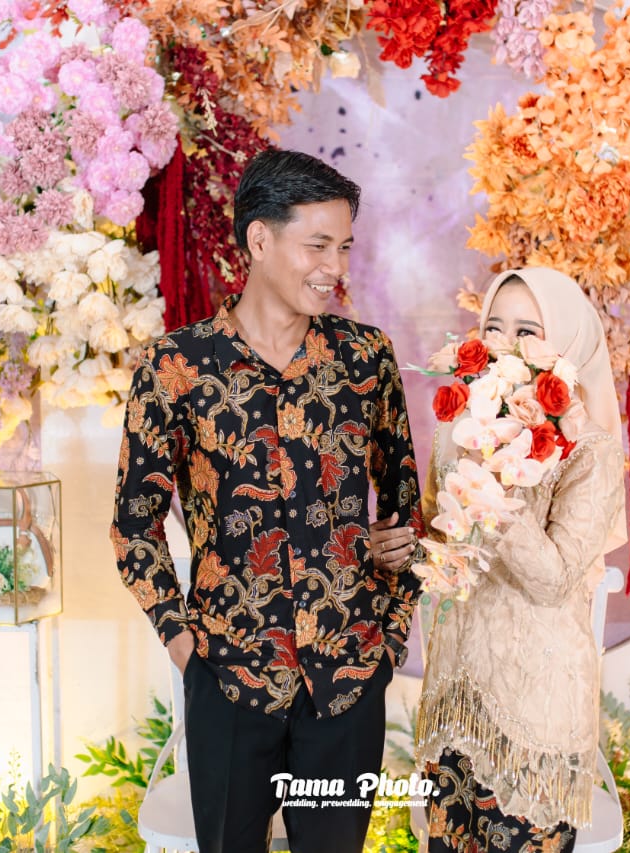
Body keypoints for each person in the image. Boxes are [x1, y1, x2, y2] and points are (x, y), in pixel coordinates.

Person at [111, 148, 424, 853]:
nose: (335, 267)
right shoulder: (177, 367)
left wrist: (389, 638)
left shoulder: (365, 359)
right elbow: (134, 526)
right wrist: (187, 650)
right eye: (318, 245)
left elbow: (405, 508)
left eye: (344, 247)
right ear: (259, 239)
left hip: (347, 679)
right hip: (227, 678)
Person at [414, 268, 627, 853]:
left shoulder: (592, 453)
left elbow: (554, 581)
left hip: (534, 710)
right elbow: (436, 533)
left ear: (567, 343)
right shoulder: (461, 432)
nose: (506, 345)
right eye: (494, 328)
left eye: (528, 331)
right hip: (456, 697)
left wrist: (499, 493)